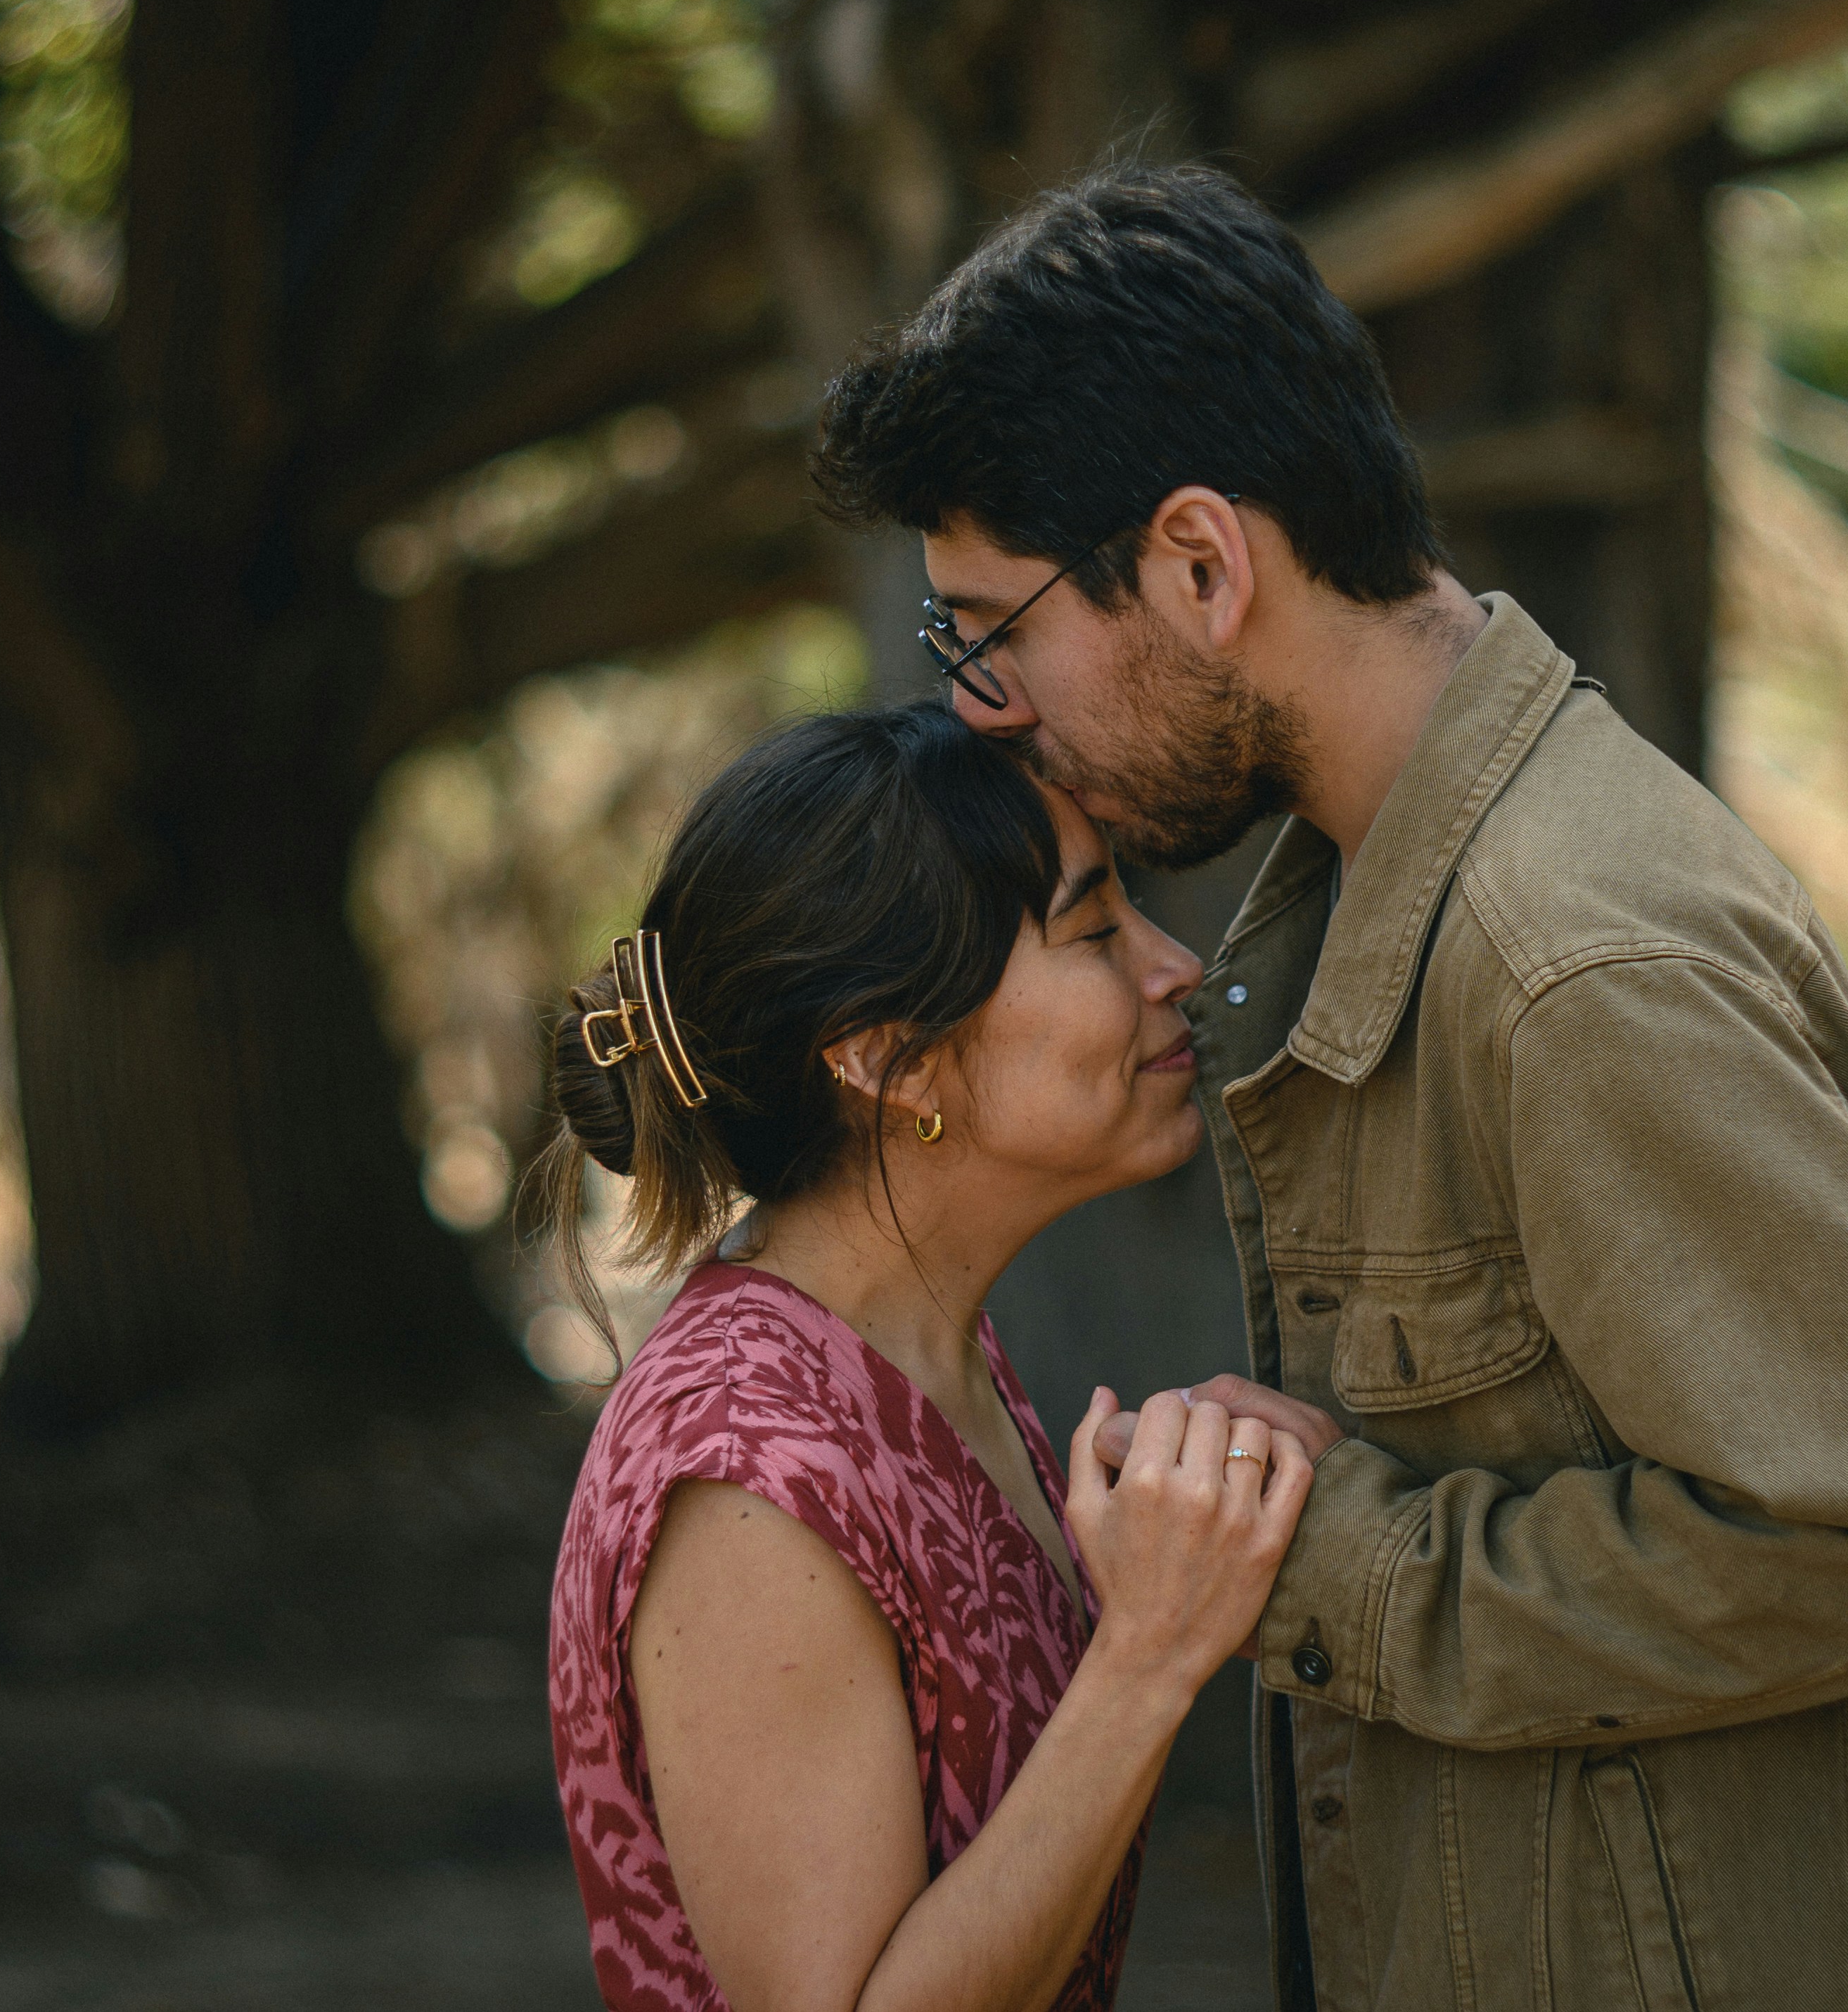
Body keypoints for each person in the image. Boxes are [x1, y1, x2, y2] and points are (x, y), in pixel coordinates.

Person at [812, 162, 1848, 2011]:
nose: (983, 712)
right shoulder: (1374, 894)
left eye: (991, 634)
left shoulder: (1571, 955)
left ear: (1198, 563)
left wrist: (1318, 1558)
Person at [530, 703, 1317, 2012]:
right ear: (888, 1058)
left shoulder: (906, 1356)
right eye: (1092, 930)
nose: (1175, 967)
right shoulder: (746, 1477)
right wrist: (1151, 1651)